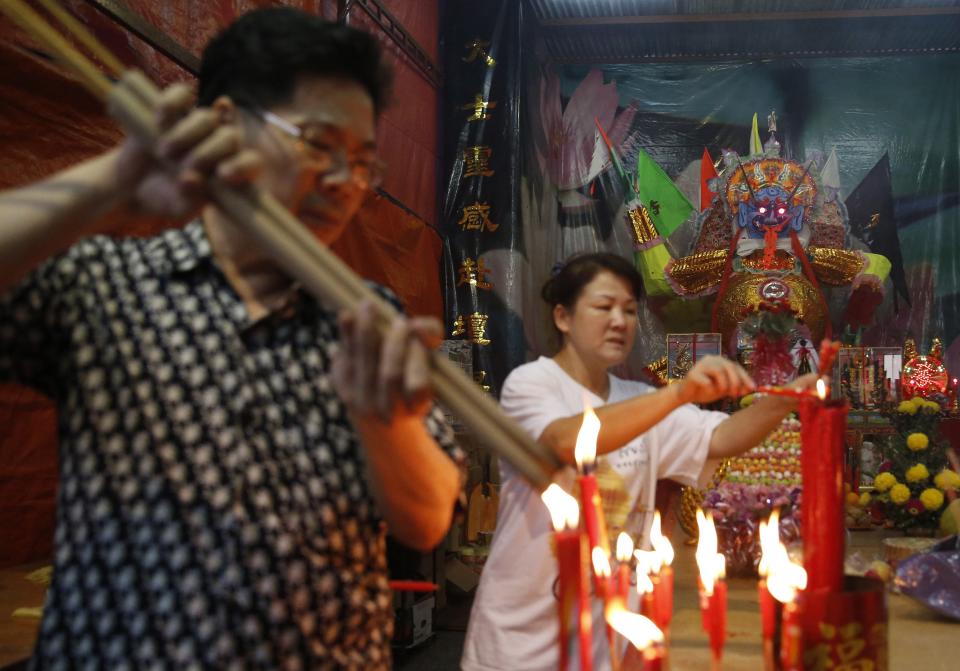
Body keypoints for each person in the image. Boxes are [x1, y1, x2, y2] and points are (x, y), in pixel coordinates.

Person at [0, 8, 463, 669]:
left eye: (362, 161)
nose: (345, 182)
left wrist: (384, 424)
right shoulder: (106, 284)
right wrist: (107, 184)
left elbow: (426, 520)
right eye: (318, 144)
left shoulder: (367, 320)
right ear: (222, 126)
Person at [461, 253, 815, 671]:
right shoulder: (532, 383)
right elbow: (565, 441)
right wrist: (677, 394)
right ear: (563, 317)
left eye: (630, 310)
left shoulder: (640, 401)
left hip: (607, 638)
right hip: (523, 640)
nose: (620, 320)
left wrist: (788, 399)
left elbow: (721, 437)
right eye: (604, 306)